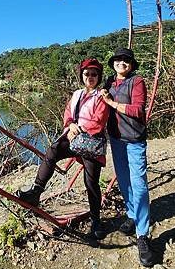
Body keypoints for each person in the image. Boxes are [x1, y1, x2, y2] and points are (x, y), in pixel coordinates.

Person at [16, 58, 110, 240]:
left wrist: (78, 128)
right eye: (87, 74)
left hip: (91, 144)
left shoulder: (102, 96)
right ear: (82, 75)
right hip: (74, 139)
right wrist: (70, 125)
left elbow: (99, 119)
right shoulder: (77, 94)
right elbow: (67, 114)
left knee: (91, 182)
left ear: (99, 77)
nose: (90, 77)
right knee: (53, 150)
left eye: (94, 74)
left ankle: (96, 220)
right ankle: (36, 191)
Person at [101, 47, 155, 267]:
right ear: (113, 63)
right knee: (124, 181)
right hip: (116, 140)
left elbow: (138, 110)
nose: (121, 63)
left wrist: (112, 103)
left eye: (126, 60)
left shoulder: (137, 81)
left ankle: (143, 234)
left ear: (131, 64)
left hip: (134, 140)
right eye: (118, 60)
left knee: (139, 184)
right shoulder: (109, 83)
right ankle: (132, 215)